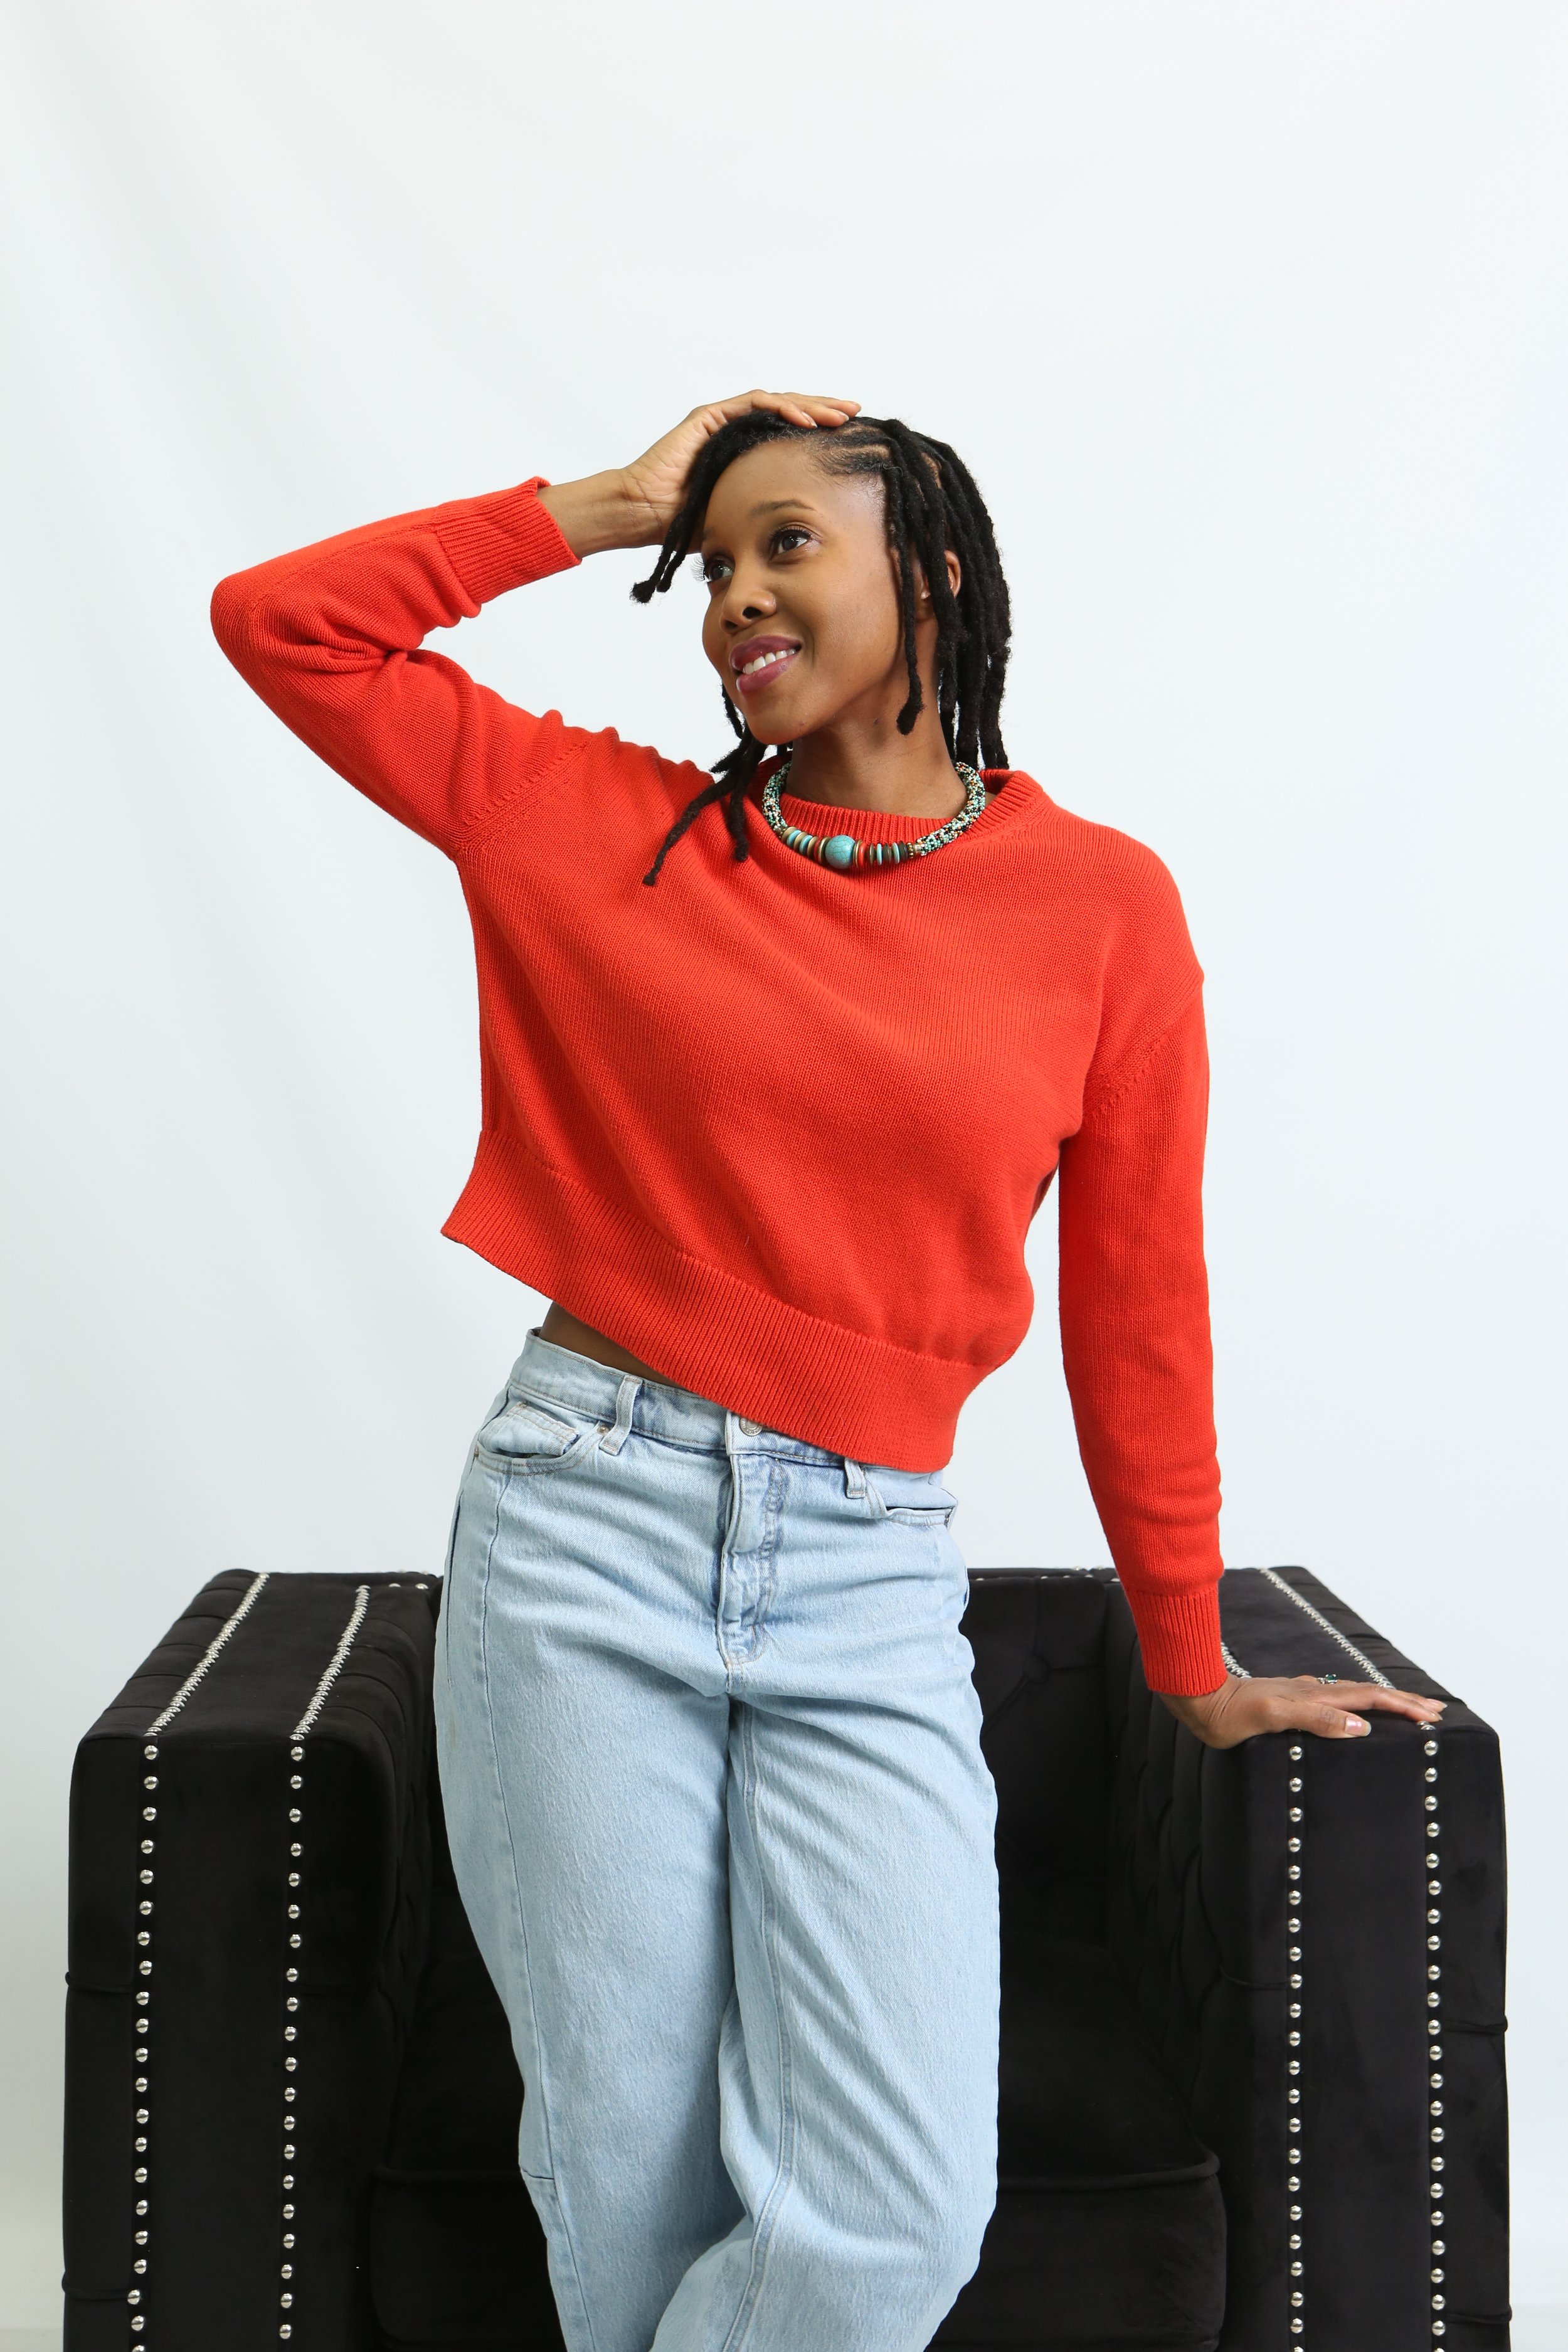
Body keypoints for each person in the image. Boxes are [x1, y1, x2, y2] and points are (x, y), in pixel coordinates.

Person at [210, 390, 1443, 2352]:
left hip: (866, 1565)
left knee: (891, 2212)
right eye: (709, 564)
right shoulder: (594, 822)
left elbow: (1137, 1303)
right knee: (626, 2177)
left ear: (930, 575)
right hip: (579, 1522)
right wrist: (601, 502)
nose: (733, 596)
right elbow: (284, 624)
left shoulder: (1100, 906)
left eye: (785, 543)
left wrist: (1188, 1655)